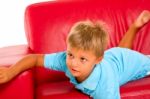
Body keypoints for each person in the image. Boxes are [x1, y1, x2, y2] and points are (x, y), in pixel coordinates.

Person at [0, 10, 150, 99]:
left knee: (134, 59)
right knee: (120, 52)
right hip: (115, 57)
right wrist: (11, 71)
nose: (73, 63)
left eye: (82, 59)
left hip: (131, 62)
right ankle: (135, 26)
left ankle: (135, 28)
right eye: (71, 54)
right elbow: (35, 59)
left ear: (97, 59)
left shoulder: (106, 85)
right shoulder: (66, 59)